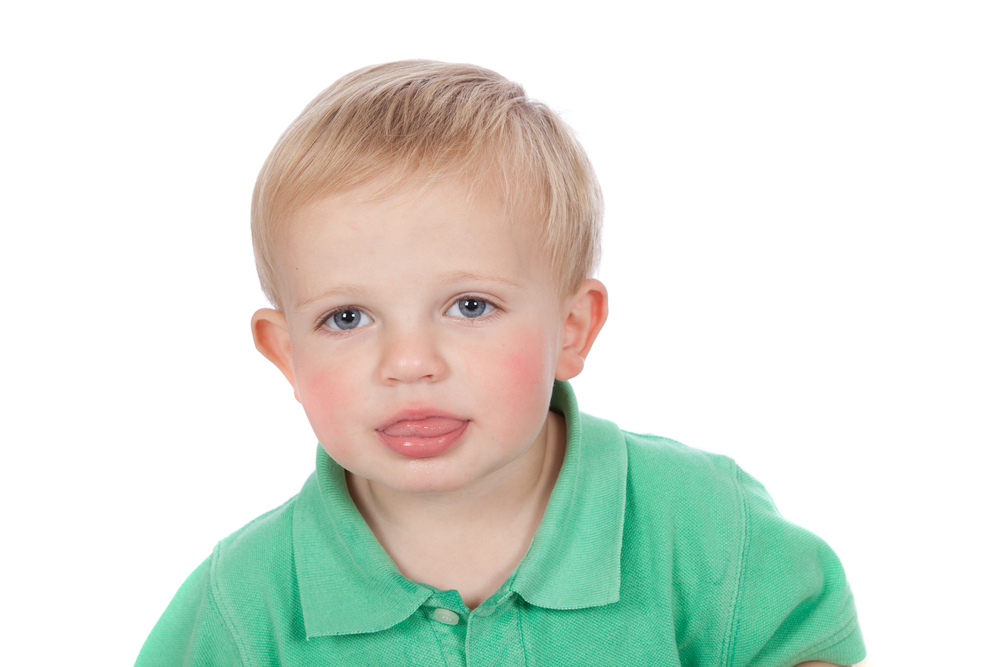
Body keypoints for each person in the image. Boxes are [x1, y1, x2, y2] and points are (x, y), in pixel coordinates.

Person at [136, 60, 865, 666]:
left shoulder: (697, 520)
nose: (410, 362)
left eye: (470, 306)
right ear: (285, 353)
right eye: (347, 318)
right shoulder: (249, 597)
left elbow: (804, 647)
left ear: (573, 328)